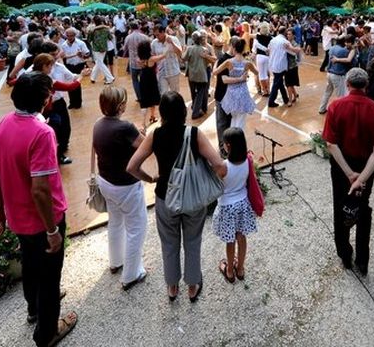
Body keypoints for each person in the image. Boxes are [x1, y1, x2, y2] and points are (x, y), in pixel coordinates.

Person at [0, 71, 77, 347]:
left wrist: (0, 206)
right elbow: (40, 189)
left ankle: (33, 309)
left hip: (17, 216)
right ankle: (47, 333)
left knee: (30, 264)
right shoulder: (42, 133)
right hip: (42, 220)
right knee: (50, 276)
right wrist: (51, 230)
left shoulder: (4, 123)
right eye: (49, 92)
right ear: (44, 100)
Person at [126, 92, 224, 303]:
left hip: (164, 196)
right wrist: (209, 179)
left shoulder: (154, 134)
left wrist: (151, 178)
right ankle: (192, 285)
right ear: (183, 111)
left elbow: (132, 167)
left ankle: (172, 287)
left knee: (169, 243)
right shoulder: (194, 133)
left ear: (161, 112)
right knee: (193, 241)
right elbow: (219, 164)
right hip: (192, 198)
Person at [322, 68, 374, 275]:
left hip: (342, 166)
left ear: (348, 84)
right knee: (362, 206)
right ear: (366, 85)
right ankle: (362, 259)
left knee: (340, 204)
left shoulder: (336, 107)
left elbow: (331, 145)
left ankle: (344, 253)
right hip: (366, 167)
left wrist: (350, 174)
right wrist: (361, 177)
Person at [93, 86, 148, 291]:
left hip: (105, 181)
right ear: (121, 105)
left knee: (115, 222)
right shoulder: (125, 127)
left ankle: (116, 261)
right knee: (137, 229)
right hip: (126, 185)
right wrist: (142, 133)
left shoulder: (98, 124)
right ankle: (131, 274)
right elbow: (145, 146)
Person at [213, 127, 257, 283]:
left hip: (227, 207)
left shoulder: (224, 166)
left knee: (230, 240)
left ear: (228, 146)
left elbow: (215, 185)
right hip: (243, 204)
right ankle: (241, 268)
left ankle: (230, 271)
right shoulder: (247, 160)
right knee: (241, 236)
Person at [212, 38, 258, 130]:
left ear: (234, 48)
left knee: (233, 120)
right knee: (240, 122)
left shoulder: (228, 62)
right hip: (243, 94)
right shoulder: (247, 63)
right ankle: (237, 141)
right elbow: (257, 72)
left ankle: (232, 140)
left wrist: (215, 63)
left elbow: (215, 72)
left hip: (231, 95)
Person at [318, 35, 356, 114]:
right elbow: (350, 61)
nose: (346, 44)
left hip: (329, 73)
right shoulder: (345, 51)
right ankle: (341, 112)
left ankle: (322, 108)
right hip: (338, 75)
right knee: (341, 95)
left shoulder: (332, 48)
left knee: (327, 92)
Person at [182, 31, 215, 119]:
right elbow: (210, 62)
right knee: (201, 93)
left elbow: (183, 58)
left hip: (192, 75)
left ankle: (195, 108)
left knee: (194, 92)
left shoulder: (190, 49)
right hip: (202, 75)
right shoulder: (205, 49)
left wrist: (184, 50)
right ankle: (196, 112)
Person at [136, 40, 164, 133]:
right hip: (151, 81)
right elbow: (163, 56)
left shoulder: (139, 60)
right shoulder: (151, 59)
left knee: (144, 102)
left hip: (143, 81)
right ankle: (153, 117)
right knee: (154, 99)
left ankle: (144, 123)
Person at [61, 27, 90, 108]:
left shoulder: (81, 43)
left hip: (78, 65)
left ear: (74, 35)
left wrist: (83, 55)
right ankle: (71, 102)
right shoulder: (63, 45)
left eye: (71, 35)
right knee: (70, 83)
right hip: (69, 66)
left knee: (77, 84)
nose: (69, 37)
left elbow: (87, 54)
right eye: (68, 35)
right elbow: (63, 57)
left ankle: (78, 103)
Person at [151, 24, 182, 95]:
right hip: (161, 73)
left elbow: (180, 53)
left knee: (175, 93)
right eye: (155, 35)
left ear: (163, 32)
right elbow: (152, 56)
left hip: (173, 72)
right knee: (163, 94)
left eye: (158, 35)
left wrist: (172, 43)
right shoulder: (154, 43)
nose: (156, 37)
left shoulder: (174, 39)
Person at [122, 21, 150, 102]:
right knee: (144, 80)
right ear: (138, 27)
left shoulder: (128, 37)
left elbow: (125, 49)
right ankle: (145, 95)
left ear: (131, 28)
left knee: (135, 81)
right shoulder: (144, 37)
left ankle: (139, 97)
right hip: (143, 63)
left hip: (133, 63)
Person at [88, 16, 114, 84]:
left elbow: (89, 40)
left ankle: (110, 78)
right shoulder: (106, 29)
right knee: (99, 62)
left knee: (100, 63)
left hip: (96, 49)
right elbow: (110, 37)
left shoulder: (92, 30)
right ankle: (92, 78)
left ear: (94, 22)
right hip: (104, 48)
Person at [252, 22, 272, 96]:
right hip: (267, 57)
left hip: (259, 56)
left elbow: (254, 48)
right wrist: (267, 50)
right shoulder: (270, 37)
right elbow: (271, 48)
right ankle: (268, 90)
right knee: (267, 74)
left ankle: (264, 90)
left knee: (261, 74)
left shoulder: (257, 37)